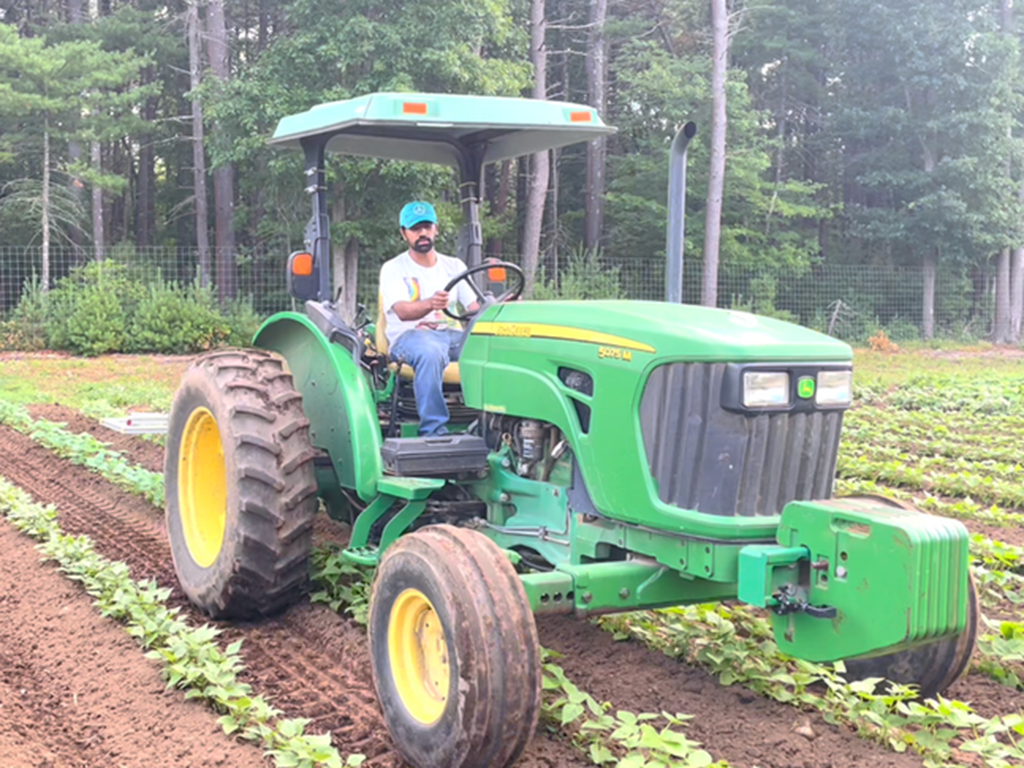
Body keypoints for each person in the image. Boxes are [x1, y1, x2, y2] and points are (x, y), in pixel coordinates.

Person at [379, 201, 478, 435]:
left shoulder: (454, 266)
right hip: (409, 338)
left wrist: (499, 307)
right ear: (404, 234)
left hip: (450, 336)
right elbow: (402, 311)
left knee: (491, 347)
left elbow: (473, 307)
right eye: (415, 228)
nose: (422, 233)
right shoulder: (393, 268)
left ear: (436, 229)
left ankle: (493, 426)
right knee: (430, 352)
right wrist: (430, 304)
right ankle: (433, 432)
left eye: (426, 226)